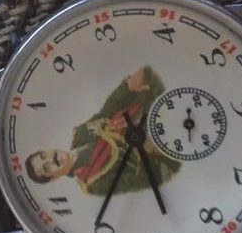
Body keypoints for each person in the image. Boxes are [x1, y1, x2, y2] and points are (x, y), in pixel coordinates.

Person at [25, 66, 181, 196]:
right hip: (161, 151)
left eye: (44, 156)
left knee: (150, 75)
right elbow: (141, 181)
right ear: (53, 178)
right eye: (47, 167)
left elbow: (106, 113)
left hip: (144, 114)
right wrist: (149, 151)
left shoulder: (79, 135)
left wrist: (127, 87)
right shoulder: (92, 182)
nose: (52, 159)